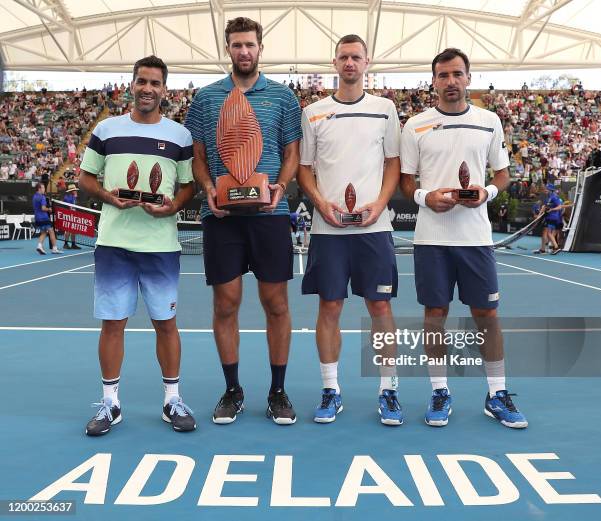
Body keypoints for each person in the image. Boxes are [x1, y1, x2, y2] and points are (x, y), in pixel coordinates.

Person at [400, 47, 528, 429]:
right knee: (434, 316)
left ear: (469, 78)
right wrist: (427, 198)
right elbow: (407, 183)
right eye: (443, 75)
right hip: (431, 239)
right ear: (433, 81)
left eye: (457, 74)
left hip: (475, 238)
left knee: (486, 315)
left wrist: (485, 193)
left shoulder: (490, 121)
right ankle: (440, 392)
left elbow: (502, 175)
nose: (451, 81)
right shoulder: (415, 125)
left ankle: (497, 393)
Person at [184, 17, 301, 425]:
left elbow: (291, 155)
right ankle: (233, 390)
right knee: (226, 304)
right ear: (228, 49)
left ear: (260, 48)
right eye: (236, 45)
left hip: (270, 215)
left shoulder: (284, 98)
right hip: (221, 217)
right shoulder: (206, 98)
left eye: (250, 44)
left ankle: (278, 391)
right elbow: (198, 158)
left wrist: (280, 190)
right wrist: (208, 190)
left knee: (276, 304)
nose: (244, 52)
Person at [79, 55, 197, 436]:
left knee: (166, 323)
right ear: (131, 85)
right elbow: (85, 178)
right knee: (113, 323)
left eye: (155, 83)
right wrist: (108, 197)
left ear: (165, 89)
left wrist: (173, 208)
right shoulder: (107, 130)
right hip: (114, 243)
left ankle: (172, 400)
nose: (148, 89)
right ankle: (110, 404)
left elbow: (187, 185)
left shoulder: (180, 136)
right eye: (141, 81)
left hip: (161, 245)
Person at [298, 34, 402, 425]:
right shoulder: (314, 112)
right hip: (328, 230)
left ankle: (388, 390)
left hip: (374, 229)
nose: (349, 63)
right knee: (330, 307)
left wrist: (380, 203)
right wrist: (322, 204)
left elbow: (393, 162)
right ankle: (330, 390)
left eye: (356, 57)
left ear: (367, 62)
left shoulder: (385, 109)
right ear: (335, 62)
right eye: (343, 57)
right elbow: (304, 169)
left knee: (380, 306)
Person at [32, 182, 63, 255]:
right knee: (51, 231)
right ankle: (54, 249)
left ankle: (39, 246)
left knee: (44, 232)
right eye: (43, 188)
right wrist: (49, 209)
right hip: (44, 218)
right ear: (39, 189)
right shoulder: (42, 197)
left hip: (37, 218)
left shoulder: (34, 197)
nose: (44, 189)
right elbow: (43, 208)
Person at [62, 183, 82, 250]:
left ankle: (73, 244)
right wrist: (75, 197)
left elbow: (74, 207)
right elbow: (70, 206)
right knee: (68, 230)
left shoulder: (73, 197)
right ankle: (65, 244)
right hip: (68, 215)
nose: (76, 191)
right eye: (74, 190)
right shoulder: (67, 197)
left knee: (73, 230)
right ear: (71, 191)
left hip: (73, 215)